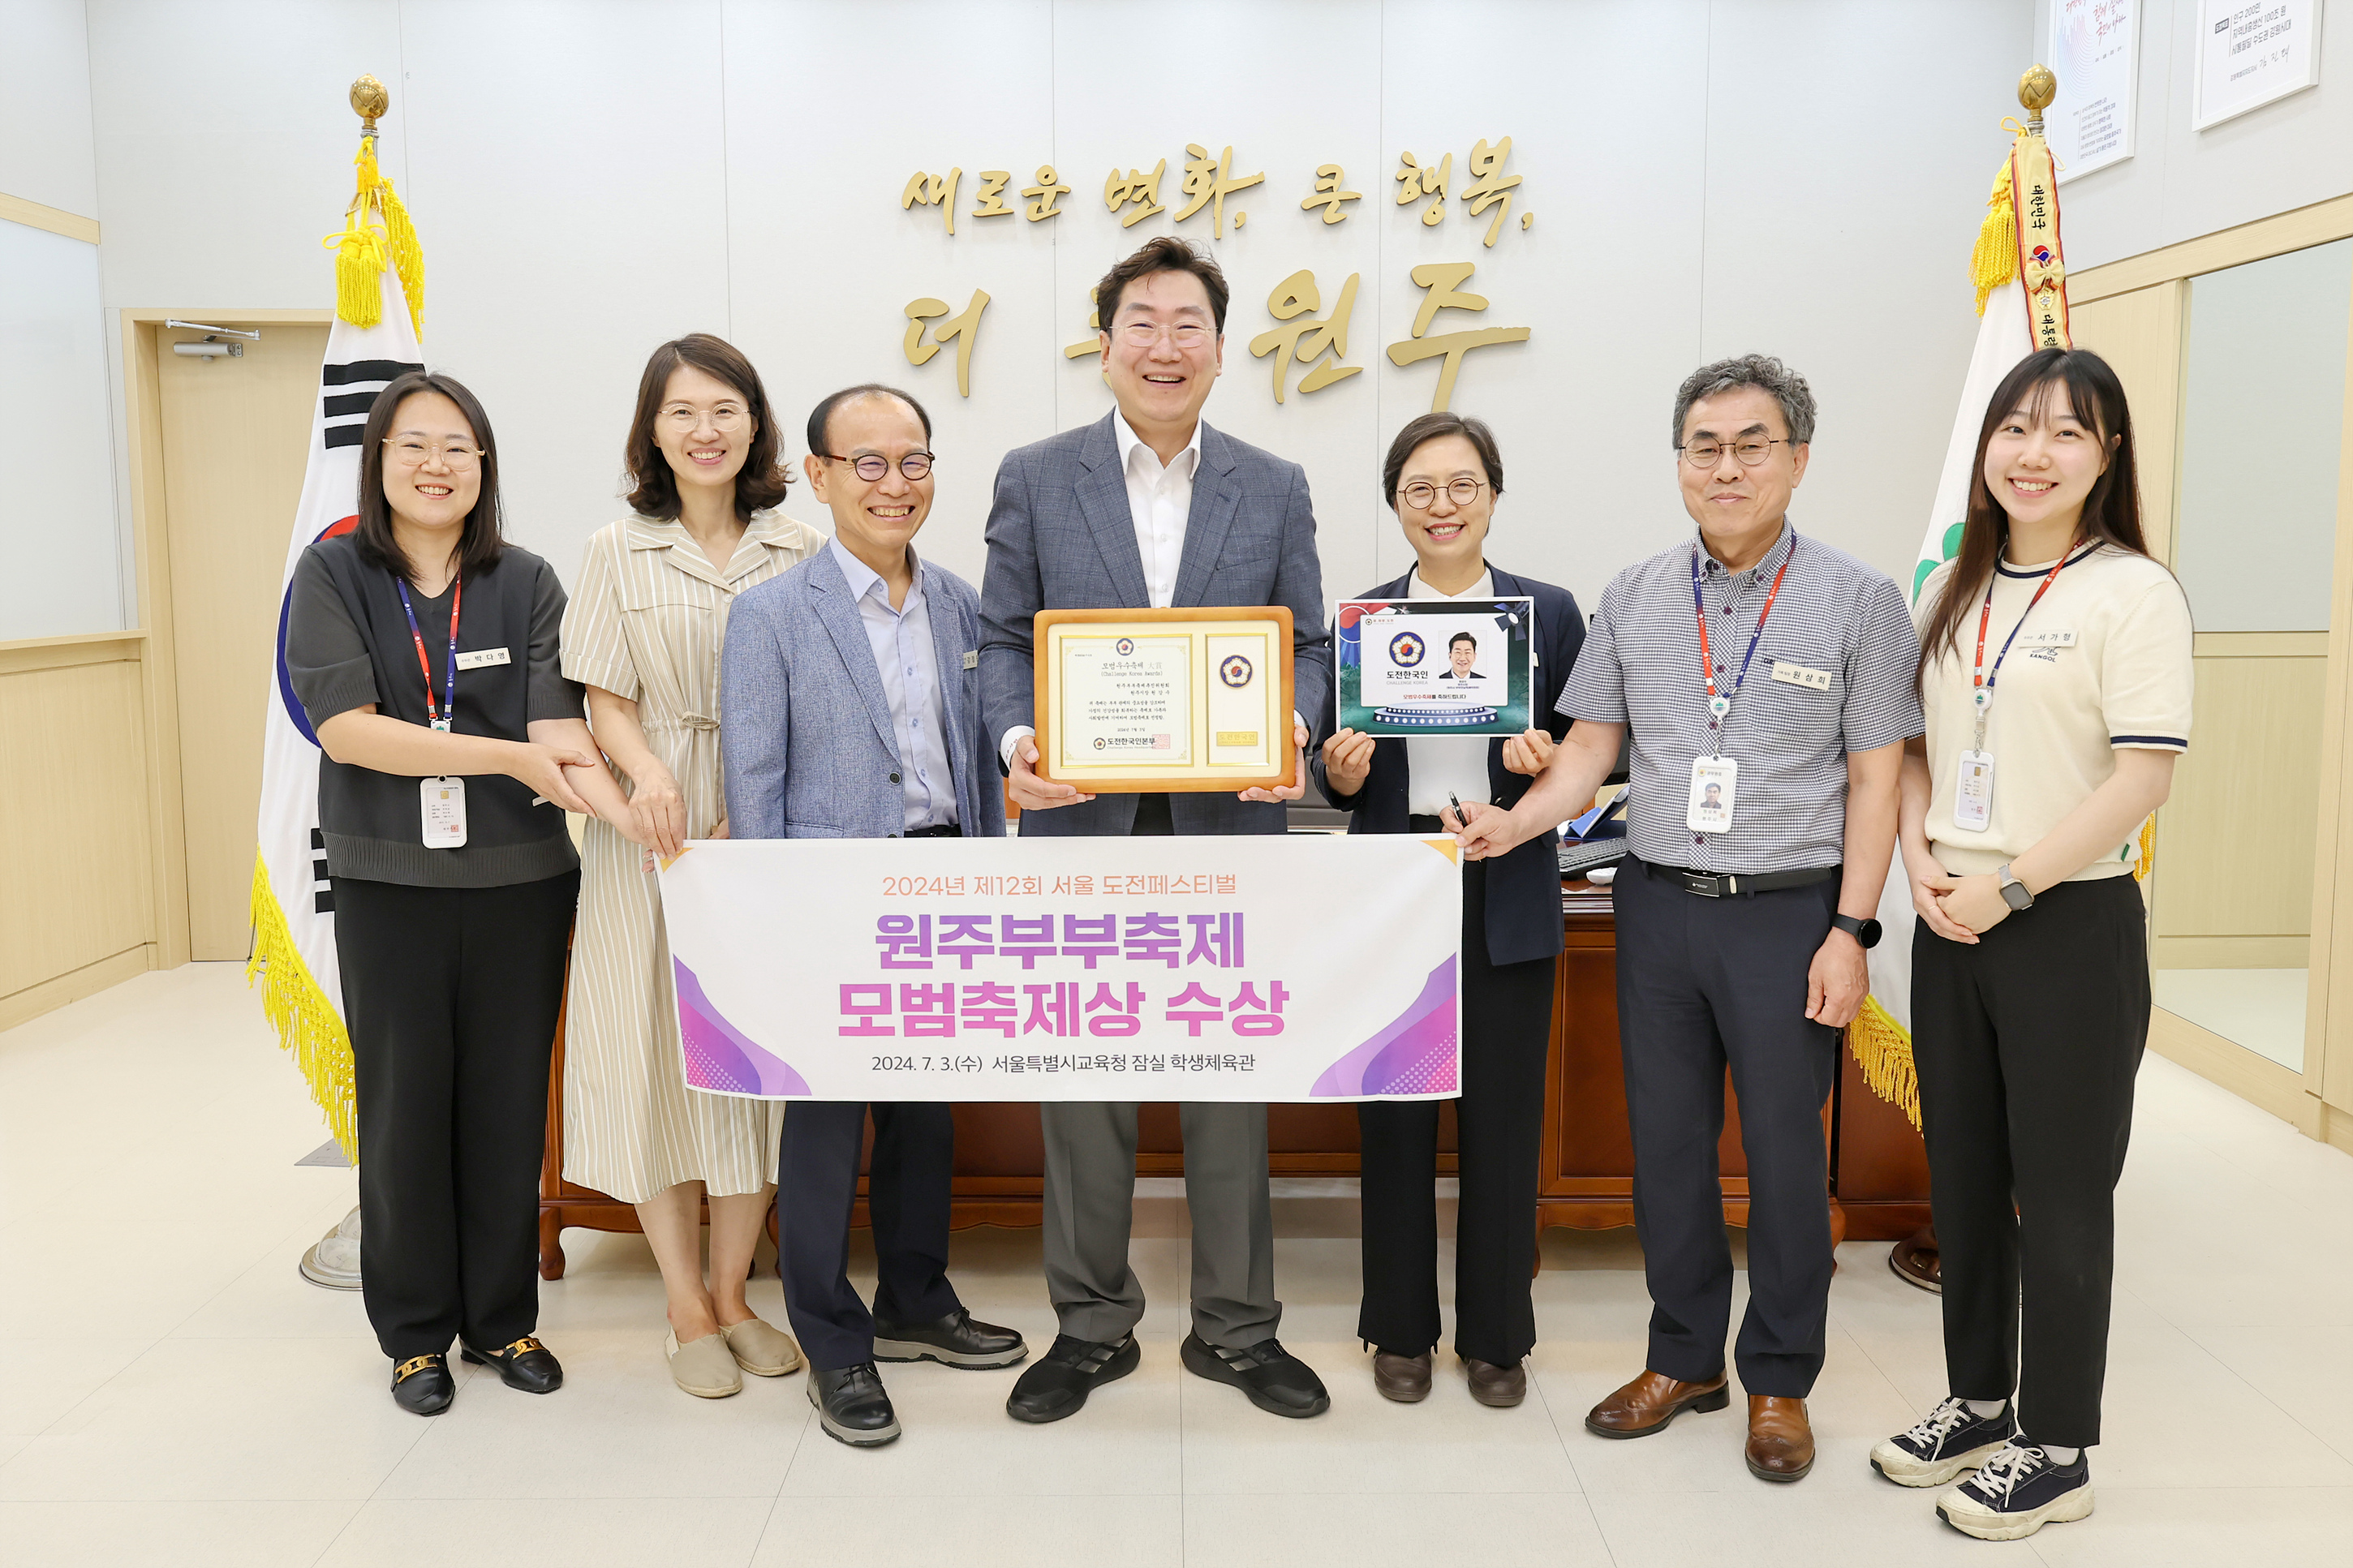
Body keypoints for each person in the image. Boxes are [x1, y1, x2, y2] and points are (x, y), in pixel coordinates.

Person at [1452, 354, 1919, 1481]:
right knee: (1664, 1147)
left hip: (1787, 916)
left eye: (1752, 445)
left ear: (1796, 459)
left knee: (1784, 1159)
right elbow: (1590, 752)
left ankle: (1779, 1379)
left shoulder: (1858, 600)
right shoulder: (1636, 594)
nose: (1726, 468)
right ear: (1678, 463)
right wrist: (1517, 825)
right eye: (1704, 447)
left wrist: (1851, 932)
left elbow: (1877, 778)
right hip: (1657, 907)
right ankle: (1683, 1357)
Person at [979, 236, 1331, 1424]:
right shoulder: (1037, 475)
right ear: (1105, 343)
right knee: (1085, 1080)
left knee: (1229, 1076)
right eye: (1142, 321)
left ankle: (1237, 1327)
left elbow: (1309, 643)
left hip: (1227, 828)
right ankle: (1089, 1326)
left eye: (1189, 325)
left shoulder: (1273, 483)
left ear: (1221, 350)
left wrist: (1287, 725)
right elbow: (1004, 637)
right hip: (1082, 828)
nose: (1165, 345)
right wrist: (1017, 744)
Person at [1869, 348, 2188, 1541]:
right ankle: (1977, 1402)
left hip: (2066, 923)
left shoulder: (2132, 593)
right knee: (1962, 1178)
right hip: (1951, 916)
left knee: (2059, 1194)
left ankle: (2056, 1447)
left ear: (2107, 457)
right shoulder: (1953, 585)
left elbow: (2141, 777)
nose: (2032, 453)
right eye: (2015, 427)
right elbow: (1909, 749)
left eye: (2065, 432)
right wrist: (1919, 861)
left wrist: (2010, 885)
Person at [285, 370, 643, 1415]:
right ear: (379, 460)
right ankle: (414, 1337)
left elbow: (557, 731)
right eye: (414, 444)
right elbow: (349, 732)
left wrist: (636, 820)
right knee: (404, 1109)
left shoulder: (524, 580)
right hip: (389, 881)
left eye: (458, 446)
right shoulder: (333, 571)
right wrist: (507, 761)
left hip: (521, 884)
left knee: (506, 1104)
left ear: (484, 464)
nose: (436, 464)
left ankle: (501, 1320)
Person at [721, 384, 1026, 1447]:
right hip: (828, 892)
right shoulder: (769, 614)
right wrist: (770, 919)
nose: (895, 484)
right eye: (868, 463)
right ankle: (831, 1339)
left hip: (944, 881)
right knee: (824, 1121)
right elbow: (754, 779)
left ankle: (914, 1299)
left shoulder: (961, 604)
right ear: (818, 475)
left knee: (923, 1114)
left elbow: (981, 753)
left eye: (914, 461)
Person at [559, 334, 823, 1398]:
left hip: (764, 832)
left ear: (755, 423)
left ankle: (735, 1292)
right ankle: (683, 1304)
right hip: (650, 832)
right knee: (655, 1059)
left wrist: (750, 805)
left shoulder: (803, 545)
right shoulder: (616, 548)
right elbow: (603, 695)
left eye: (724, 409)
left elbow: (821, 693)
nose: (705, 430)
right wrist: (648, 777)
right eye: (682, 412)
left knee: (751, 1065)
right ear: (653, 432)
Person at [1311, 412, 1585, 1408]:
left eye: (1461, 485)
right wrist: (1340, 773)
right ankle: (1398, 1327)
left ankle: (1496, 1337)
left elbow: (1588, 752)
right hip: (1395, 886)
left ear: (1493, 496)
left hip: (1503, 882)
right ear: (1395, 504)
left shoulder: (1547, 613)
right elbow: (1332, 773)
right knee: (1394, 1118)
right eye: (1418, 488)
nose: (1441, 505)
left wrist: (1543, 763)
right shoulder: (1363, 620)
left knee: (1502, 1122)